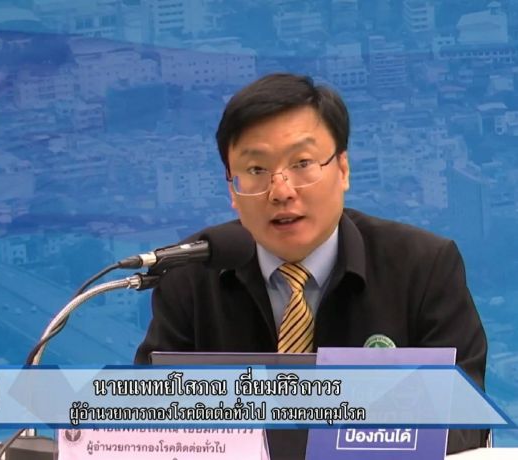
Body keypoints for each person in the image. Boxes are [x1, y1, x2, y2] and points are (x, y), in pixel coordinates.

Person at [135, 73, 488, 457]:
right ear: (232, 188)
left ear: (343, 169)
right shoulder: (190, 273)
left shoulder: (423, 266)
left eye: (302, 163)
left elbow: (462, 421)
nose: (281, 191)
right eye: (256, 171)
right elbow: (147, 423)